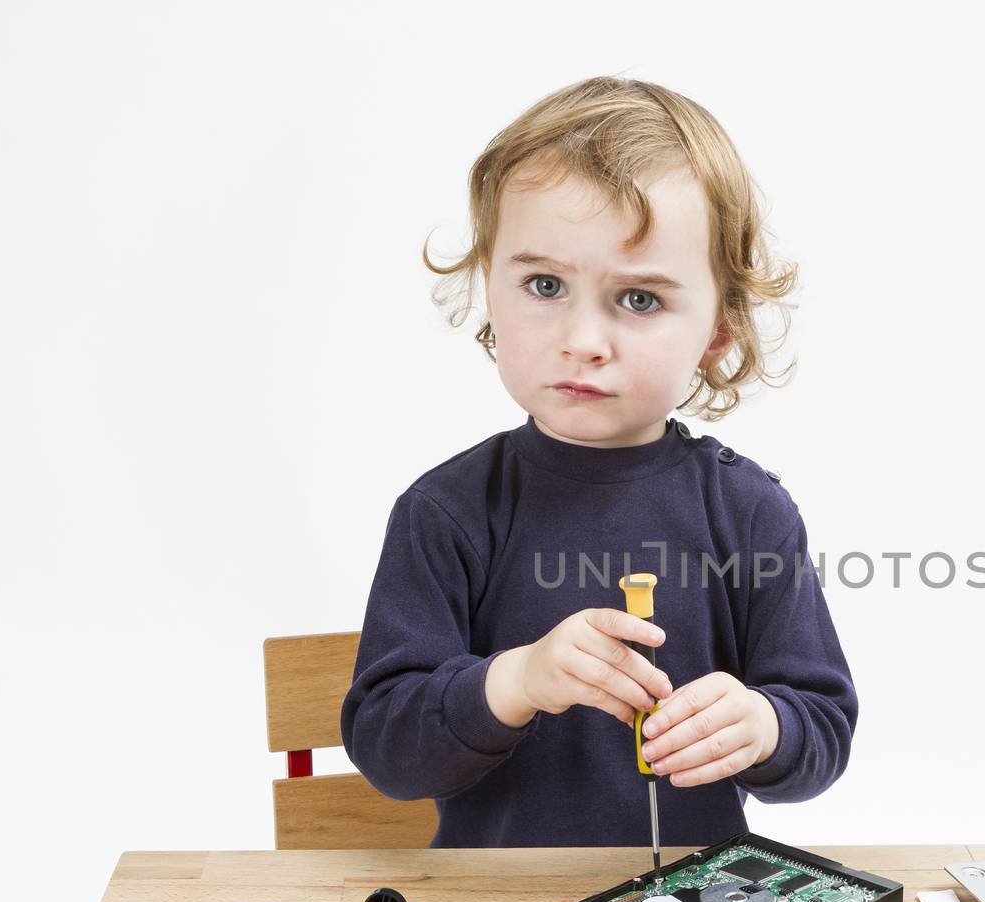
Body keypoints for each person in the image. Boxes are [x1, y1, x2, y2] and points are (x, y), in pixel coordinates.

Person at [340, 76, 857, 848]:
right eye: (544, 284)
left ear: (719, 328)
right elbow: (386, 746)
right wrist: (513, 681)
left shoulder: (749, 512)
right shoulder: (445, 512)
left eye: (640, 299)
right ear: (490, 283)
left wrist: (763, 725)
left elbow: (821, 725)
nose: (583, 338)